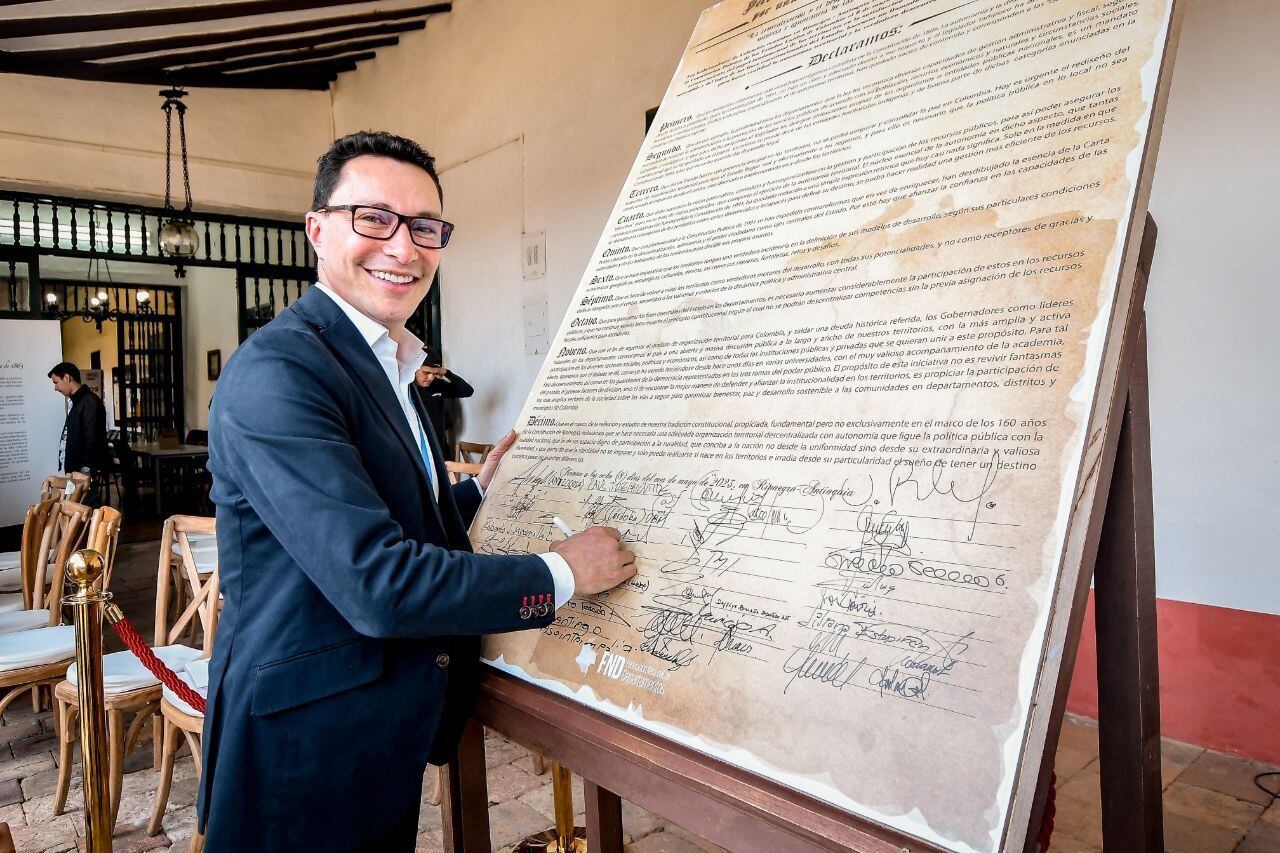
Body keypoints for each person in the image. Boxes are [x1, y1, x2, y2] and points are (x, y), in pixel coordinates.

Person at [200, 131, 636, 851]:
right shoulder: (279, 370)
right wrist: (561, 573)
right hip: (301, 759)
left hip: (376, 738)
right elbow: (376, 580)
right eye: (373, 218)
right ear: (317, 229)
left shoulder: (388, 359)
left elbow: (375, 515)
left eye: (425, 226)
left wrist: (469, 499)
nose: (403, 248)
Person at [48, 361, 107, 482]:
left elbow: (92, 441)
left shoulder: (89, 402)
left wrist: (85, 472)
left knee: (83, 501)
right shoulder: (75, 401)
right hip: (75, 471)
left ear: (67, 377)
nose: (55, 388)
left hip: (82, 474)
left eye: (56, 382)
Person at [412, 345, 474, 453]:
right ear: (414, 369)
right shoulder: (406, 389)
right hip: (418, 448)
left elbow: (467, 391)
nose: (430, 378)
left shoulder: (436, 385)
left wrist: (446, 372)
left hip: (440, 447)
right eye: (426, 373)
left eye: (434, 374)